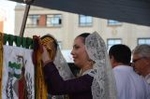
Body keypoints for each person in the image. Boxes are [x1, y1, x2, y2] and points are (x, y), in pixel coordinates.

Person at [37, 32, 117, 99]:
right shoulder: (88, 76)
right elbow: (53, 89)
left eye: (77, 47)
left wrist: (47, 60)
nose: (72, 52)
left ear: (91, 52)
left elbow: (60, 87)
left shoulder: (92, 78)